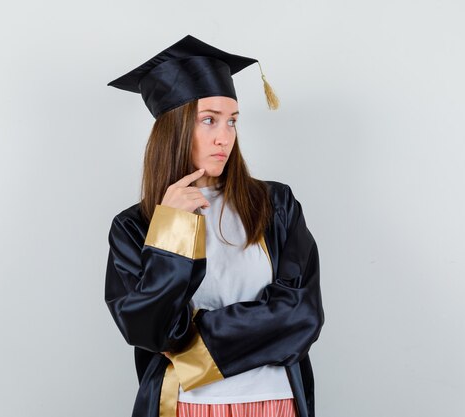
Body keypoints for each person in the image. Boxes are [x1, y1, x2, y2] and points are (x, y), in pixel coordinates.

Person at [104, 35, 324, 417]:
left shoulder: (276, 205)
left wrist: (188, 346)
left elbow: (301, 315)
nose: (225, 137)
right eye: (209, 120)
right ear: (174, 128)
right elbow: (150, 332)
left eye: (232, 122)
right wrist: (172, 230)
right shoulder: (134, 227)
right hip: (183, 406)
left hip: (274, 403)